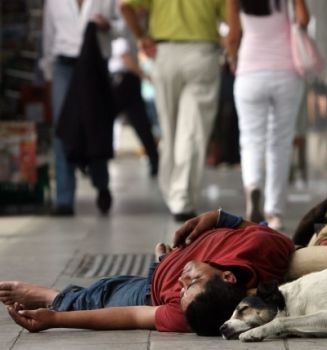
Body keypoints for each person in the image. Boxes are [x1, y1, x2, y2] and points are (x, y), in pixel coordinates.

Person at [0, 210, 294, 335]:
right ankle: (161, 261)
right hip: (165, 264)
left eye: (182, 290)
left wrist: (55, 320)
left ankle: (53, 297)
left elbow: (133, 316)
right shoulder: (265, 249)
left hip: (149, 292)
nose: (183, 280)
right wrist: (216, 217)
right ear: (229, 276)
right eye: (192, 280)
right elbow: (255, 229)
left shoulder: (188, 313)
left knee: (100, 294)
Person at [120, 0, 226, 222]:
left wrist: (141, 36)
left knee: (169, 130)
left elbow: (125, 6)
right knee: (192, 130)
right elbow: (231, 17)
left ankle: (174, 192)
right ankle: (181, 197)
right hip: (201, 53)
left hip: (164, 53)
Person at [226, 0, 310, 230]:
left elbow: (233, 35)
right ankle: (274, 213)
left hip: (250, 73)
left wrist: (233, 59)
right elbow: (303, 20)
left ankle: (253, 185)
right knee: (280, 142)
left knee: (251, 139)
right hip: (286, 73)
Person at [41, 0, 122, 216]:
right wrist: (49, 71)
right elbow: (48, 36)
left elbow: (121, 26)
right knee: (62, 127)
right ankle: (64, 198)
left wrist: (107, 27)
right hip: (63, 66)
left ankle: (101, 183)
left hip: (95, 62)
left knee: (95, 125)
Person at [109, 32, 159, 176]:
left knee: (141, 123)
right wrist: (144, 75)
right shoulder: (122, 29)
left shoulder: (132, 32)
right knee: (139, 123)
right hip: (121, 80)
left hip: (129, 80)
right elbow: (125, 57)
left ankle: (154, 158)